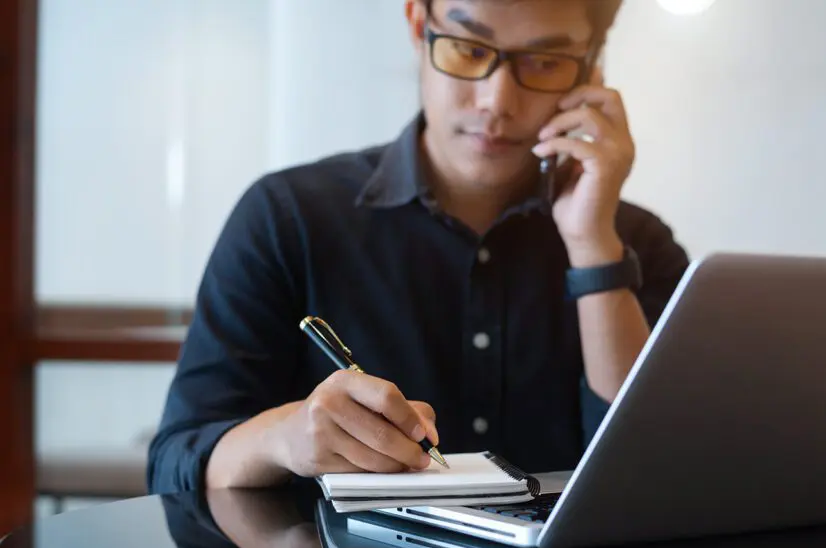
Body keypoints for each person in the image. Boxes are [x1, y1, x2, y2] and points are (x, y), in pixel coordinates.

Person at [146, 0, 689, 495]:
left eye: (545, 61)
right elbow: (177, 458)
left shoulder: (637, 245)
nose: (496, 100)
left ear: (591, 70)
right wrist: (283, 437)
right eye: (469, 49)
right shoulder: (286, 218)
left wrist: (593, 248)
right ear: (417, 25)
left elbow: (659, 479)